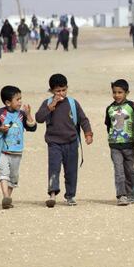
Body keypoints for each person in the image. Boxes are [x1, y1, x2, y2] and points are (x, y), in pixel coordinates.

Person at [35, 73, 93, 208]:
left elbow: (83, 119)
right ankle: (52, 195)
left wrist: (88, 134)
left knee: (71, 171)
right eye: (57, 91)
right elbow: (39, 118)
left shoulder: (73, 103)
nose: (61, 93)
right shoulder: (48, 103)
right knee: (54, 168)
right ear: (51, 91)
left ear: (67, 88)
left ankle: (70, 196)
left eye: (63, 90)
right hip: (54, 143)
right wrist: (51, 106)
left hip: (72, 143)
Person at [0, 85, 37, 209]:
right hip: (4, 151)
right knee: (4, 173)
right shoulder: (0, 114)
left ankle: (7, 199)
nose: (20, 102)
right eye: (17, 99)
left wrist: (29, 115)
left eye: (21, 99)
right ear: (8, 102)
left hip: (17, 152)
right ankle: (5, 195)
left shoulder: (21, 115)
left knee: (14, 177)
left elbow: (32, 128)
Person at [105, 79, 134, 206]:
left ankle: (130, 194)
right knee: (119, 171)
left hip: (129, 145)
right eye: (114, 92)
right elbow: (108, 125)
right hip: (115, 145)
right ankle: (121, 196)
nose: (117, 95)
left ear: (127, 93)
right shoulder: (110, 108)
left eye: (120, 92)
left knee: (129, 171)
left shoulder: (132, 107)